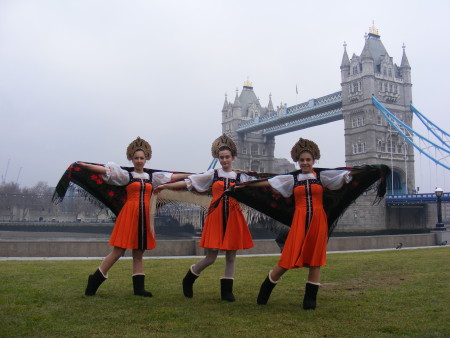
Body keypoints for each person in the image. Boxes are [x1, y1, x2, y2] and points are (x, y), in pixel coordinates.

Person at [240, 138, 353, 310]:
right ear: (297, 161)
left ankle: (310, 300)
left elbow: (345, 177)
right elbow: (270, 183)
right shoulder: (292, 179)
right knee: (288, 258)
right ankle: (265, 290)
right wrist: (247, 185)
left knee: (315, 259)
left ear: (314, 160)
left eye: (308, 159)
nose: (305, 163)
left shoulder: (322, 177)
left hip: (318, 221)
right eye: (302, 160)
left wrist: (367, 171)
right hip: (299, 221)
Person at [78, 137, 189, 297]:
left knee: (138, 252)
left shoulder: (153, 177)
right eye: (136, 158)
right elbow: (105, 171)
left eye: (141, 158)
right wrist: (82, 165)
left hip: (145, 217)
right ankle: (94, 279)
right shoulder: (126, 176)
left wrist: (194, 174)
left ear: (146, 159)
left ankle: (139, 289)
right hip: (129, 215)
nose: (139, 161)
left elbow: (172, 177)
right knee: (118, 251)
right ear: (131, 159)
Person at [156, 134, 255, 302]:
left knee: (231, 256)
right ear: (218, 158)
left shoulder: (241, 177)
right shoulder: (212, 174)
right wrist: (166, 186)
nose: (224, 160)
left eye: (227, 157)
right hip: (216, 216)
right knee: (211, 257)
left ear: (233, 158)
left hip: (233, 217)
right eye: (221, 157)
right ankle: (190, 277)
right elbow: (189, 182)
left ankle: (227, 292)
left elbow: (261, 186)